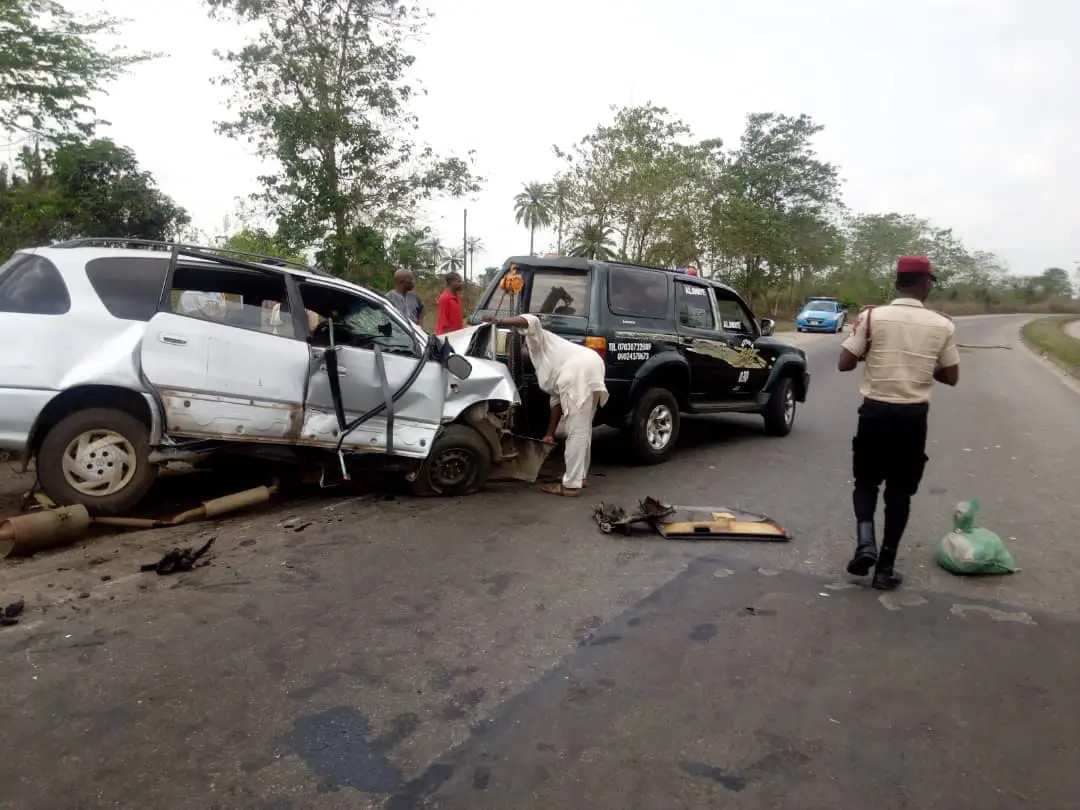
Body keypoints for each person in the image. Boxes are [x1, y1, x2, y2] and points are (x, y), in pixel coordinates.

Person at [837, 256, 960, 590]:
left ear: (897, 282)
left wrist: (865, 346)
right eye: (931, 281)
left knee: (865, 481)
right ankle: (885, 568)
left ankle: (866, 542)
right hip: (911, 418)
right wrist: (925, 363)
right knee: (899, 493)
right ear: (924, 283)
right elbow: (952, 376)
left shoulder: (872, 317)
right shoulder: (942, 326)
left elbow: (844, 363)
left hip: (875, 413)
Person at [484, 313, 608, 496]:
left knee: (575, 431)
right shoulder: (545, 363)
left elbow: (530, 320)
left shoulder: (537, 342)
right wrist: (549, 434)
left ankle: (571, 486)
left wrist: (499, 321)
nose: (522, 353)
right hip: (589, 365)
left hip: (580, 369)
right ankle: (578, 476)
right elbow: (556, 403)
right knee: (582, 428)